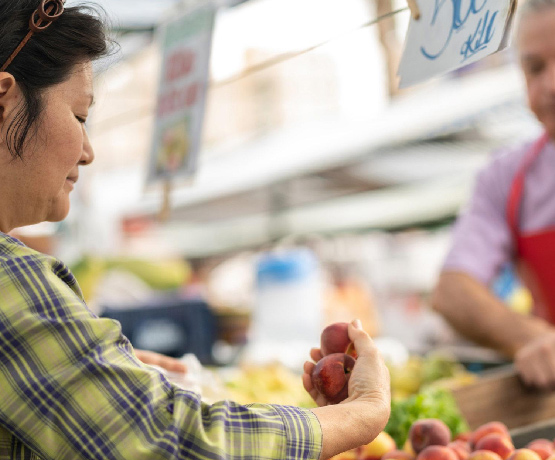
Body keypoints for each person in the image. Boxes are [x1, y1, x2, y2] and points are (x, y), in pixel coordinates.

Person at [0, 2, 391, 459]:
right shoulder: (12, 279)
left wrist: (92, 370)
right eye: (80, 116)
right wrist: (362, 413)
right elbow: (175, 444)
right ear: (4, 101)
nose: (88, 152)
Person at [432, 0, 555, 389]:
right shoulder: (505, 177)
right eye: (535, 68)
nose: (550, 84)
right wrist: (532, 337)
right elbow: (453, 290)